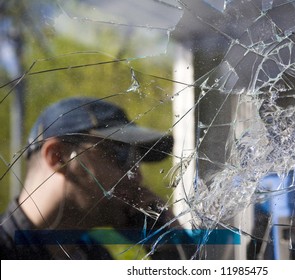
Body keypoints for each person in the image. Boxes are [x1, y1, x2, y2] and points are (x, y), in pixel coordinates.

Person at [0, 96, 183, 259]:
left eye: (137, 160)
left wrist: (170, 246)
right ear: (58, 157)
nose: (138, 176)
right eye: (120, 153)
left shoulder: (94, 256)